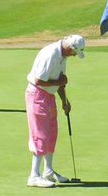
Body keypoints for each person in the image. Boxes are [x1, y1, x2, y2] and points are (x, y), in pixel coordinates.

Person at [24, 34, 85, 186]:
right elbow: (39, 80)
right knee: (40, 135)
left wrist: (64, 100)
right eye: (74, 52)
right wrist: (60, 82)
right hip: (37, 95)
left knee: (51, 133)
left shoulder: (63, 55)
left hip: (49, 96)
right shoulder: (50, 53)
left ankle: (48, 171)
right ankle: (34, 176)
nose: (73, 55)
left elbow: (60, 80)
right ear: (69, 48)